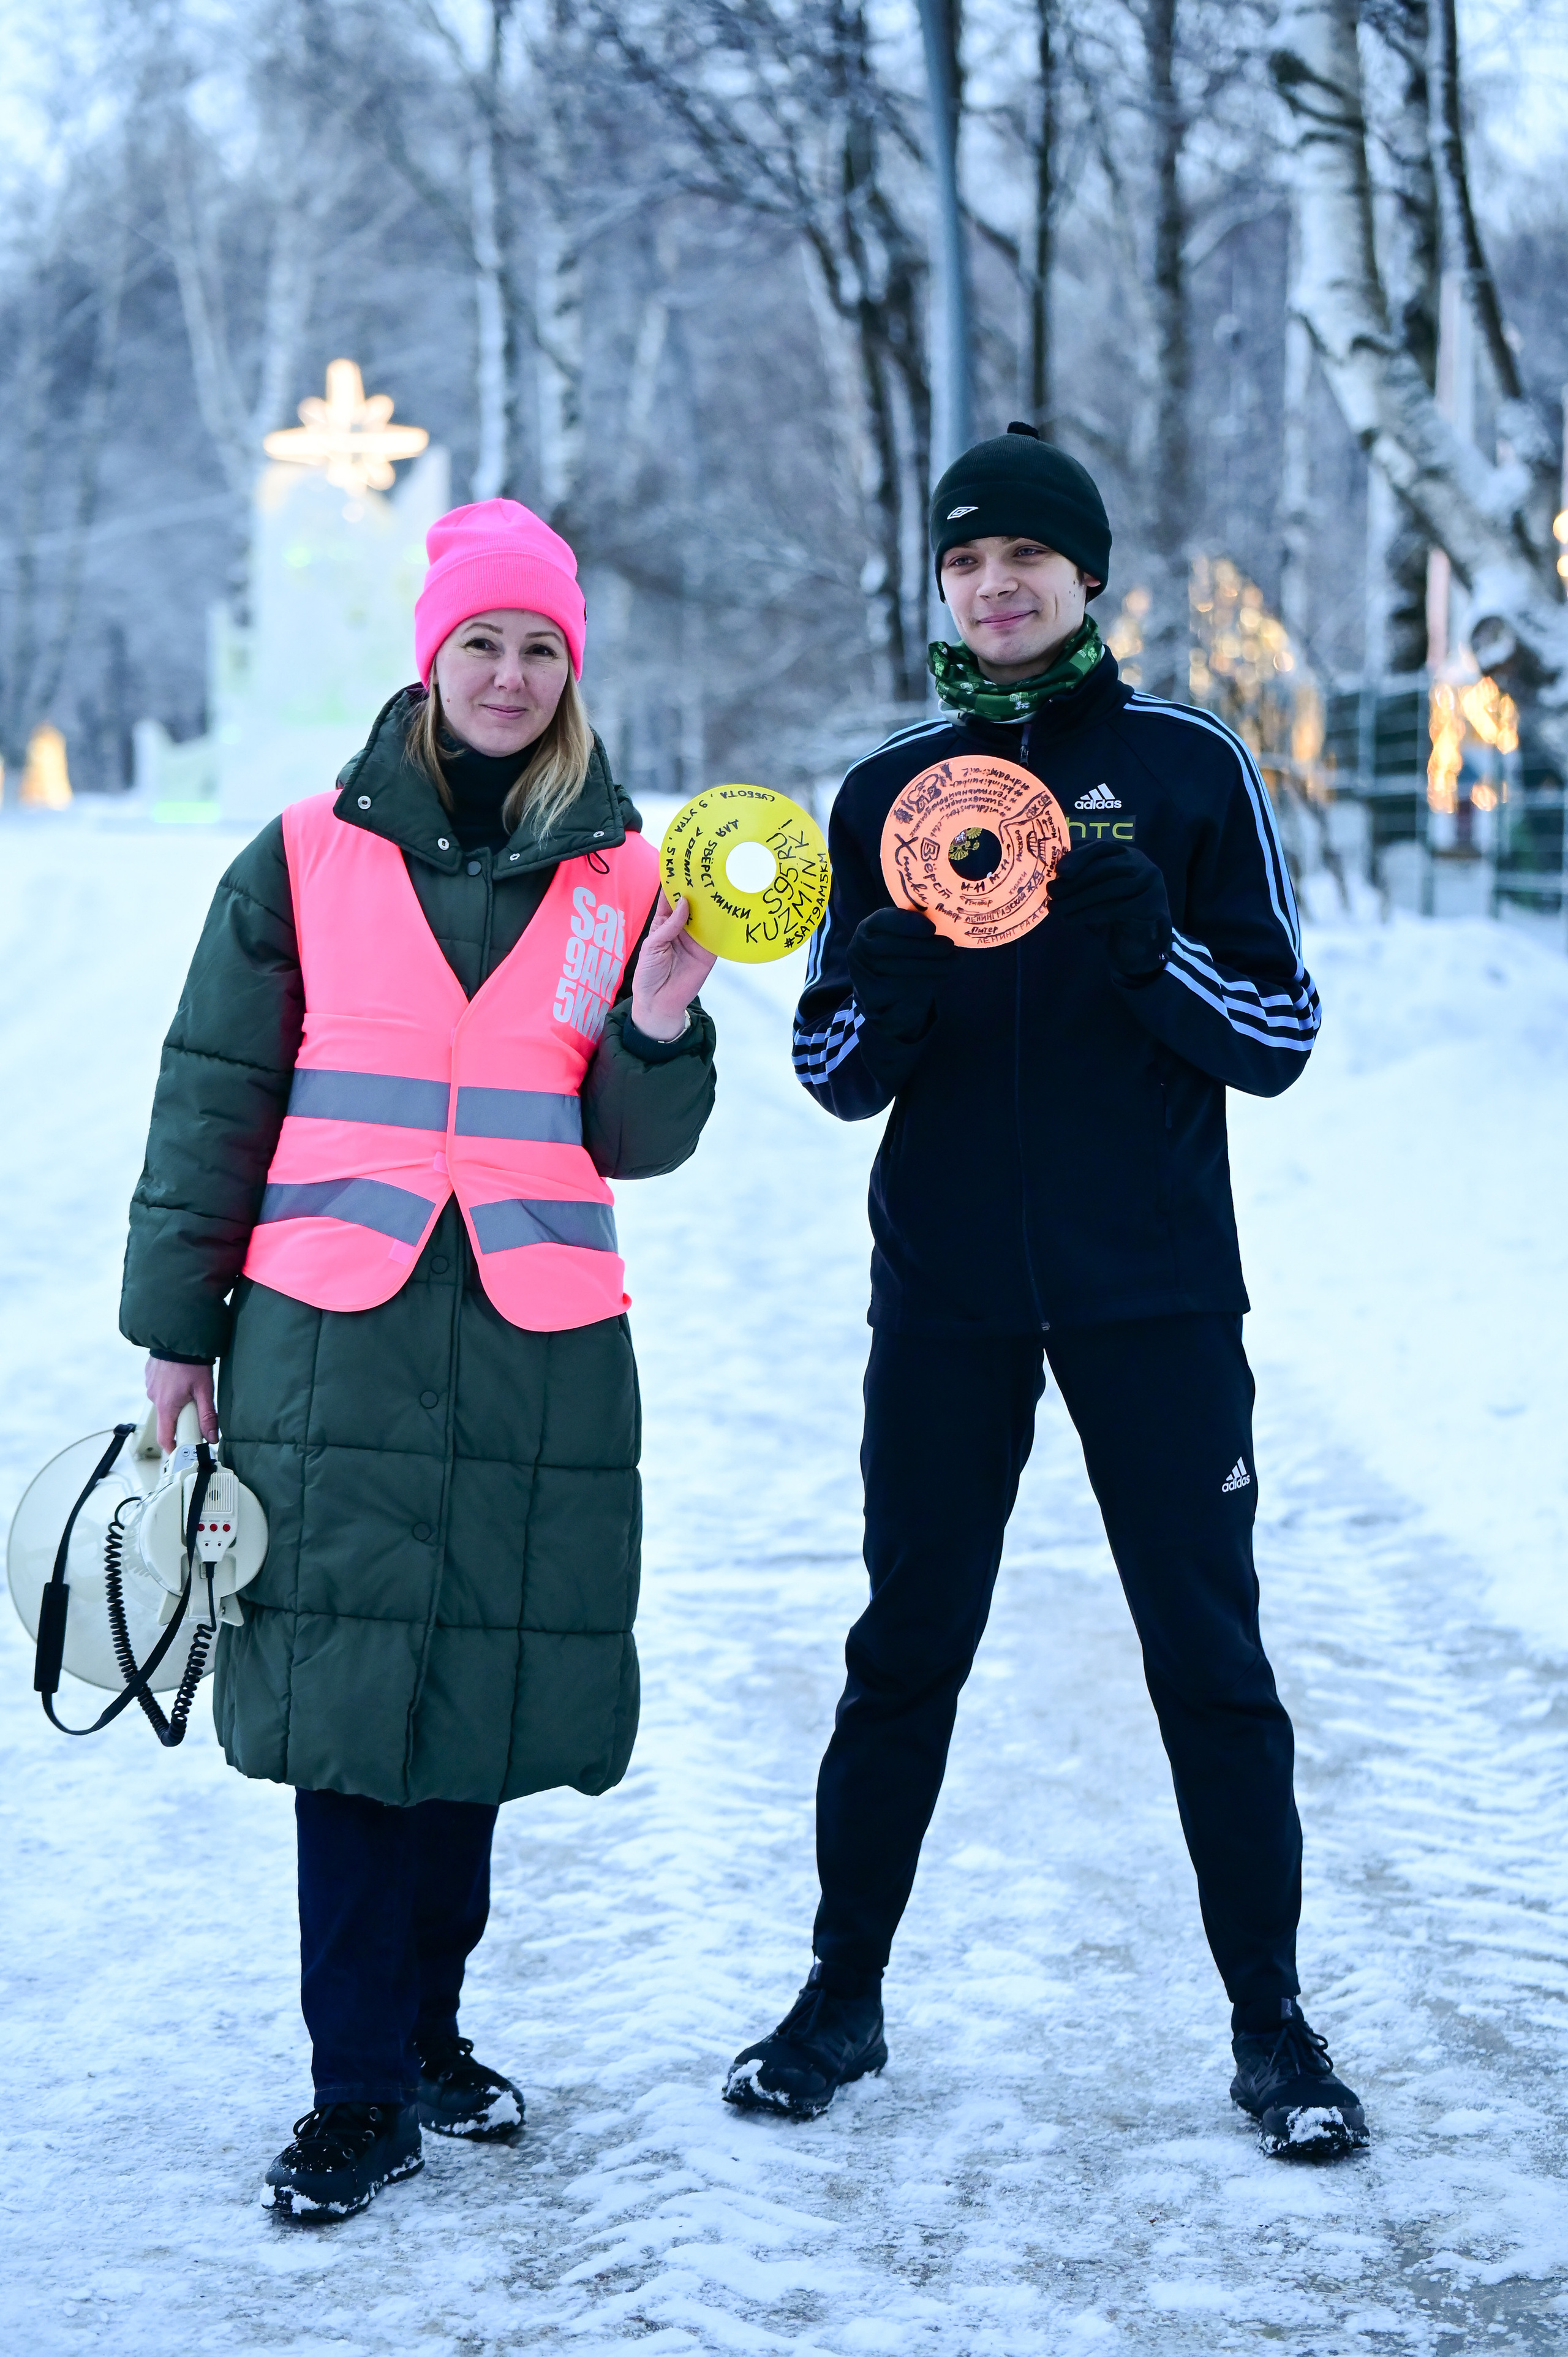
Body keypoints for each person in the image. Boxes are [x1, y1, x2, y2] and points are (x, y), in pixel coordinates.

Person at [723, 425, 1368, 2160]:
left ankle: (1275, 2030)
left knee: (1209, 1659)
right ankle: (838, 1998)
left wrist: (1143, 940)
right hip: (946, 1298)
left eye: (1027, 555)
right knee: (904, 1649)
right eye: (963, 560)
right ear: (938, 585)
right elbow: (835, 1070)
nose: (994, 584)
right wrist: (887, 976)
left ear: (1090, 577)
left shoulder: (1186, 765)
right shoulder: (887, 795)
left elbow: (1283, 1038)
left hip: (1153, 1298)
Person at [121, 498, 718, 2221]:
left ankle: (432, 2037)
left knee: (472, 1714)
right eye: (485, 642)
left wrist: (666, 1015)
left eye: (542, 647)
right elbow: (211, 1098)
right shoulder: (303, 854)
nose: (514, 673)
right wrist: (178, 1333)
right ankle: (353, 2090)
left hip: (537, 1336)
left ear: (572, 670)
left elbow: (636, 1138)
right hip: (334, 1336)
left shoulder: (629, 873)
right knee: (346, 1719)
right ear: (431, 658)